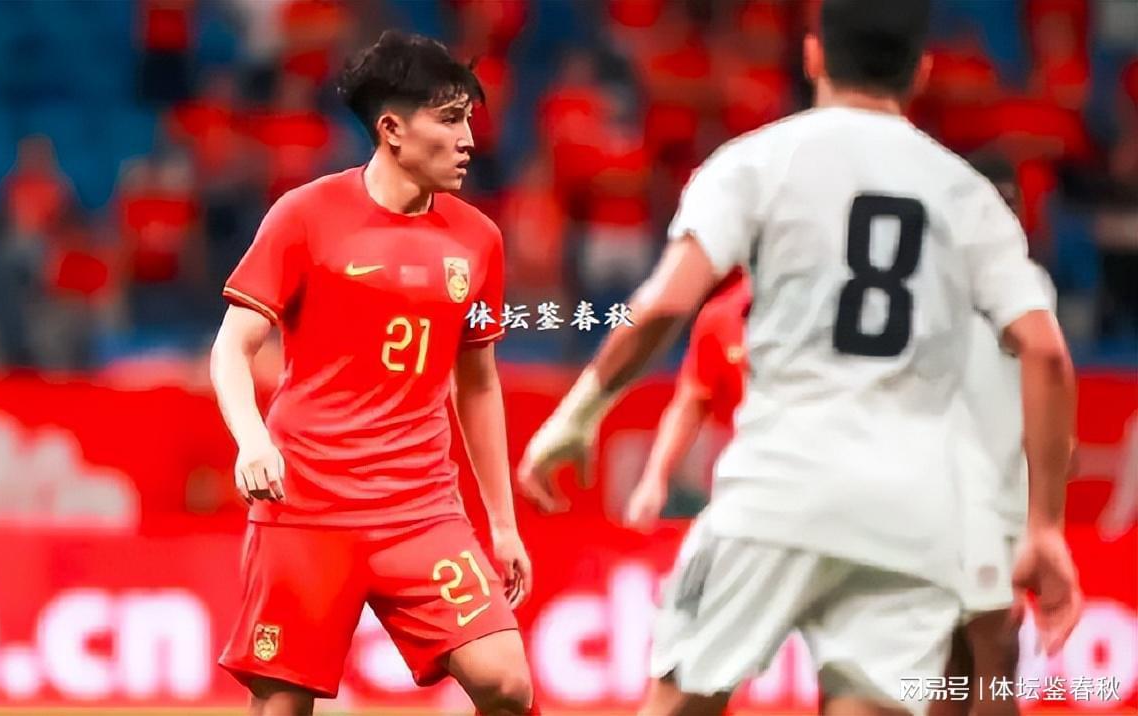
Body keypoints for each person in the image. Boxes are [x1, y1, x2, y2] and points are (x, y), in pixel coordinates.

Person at [517, 1, 1082, 714]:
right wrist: (1045, 526)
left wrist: (577, 414)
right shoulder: (968, 195)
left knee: (676, 705)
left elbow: (663, 305)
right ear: (922, 72)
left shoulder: (757, 160)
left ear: (813, 56)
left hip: (777, 487)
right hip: (908, 511)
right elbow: (1045, 351)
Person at [211, 31, 534, 716]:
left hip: (420, 508)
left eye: (470, 120)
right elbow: (232, 347)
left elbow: (477, 383)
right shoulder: (304, 216)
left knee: (507, 682)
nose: (469, 139)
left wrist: (502, 525)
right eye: (450, 119)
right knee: (282, 706)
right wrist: (252, 440)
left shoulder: (479, 240)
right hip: (309, 504)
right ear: (391, 129)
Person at [930, 156, 1055, 716]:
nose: (1003, 217)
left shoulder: (1030, 284)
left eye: (1011, 206)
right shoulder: (932, 289)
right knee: (972, 655)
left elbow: (1040, 377)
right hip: (943, 492)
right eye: (991, 205)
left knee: (983, 656)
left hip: (1000, 496)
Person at [624, 272, 750, 531]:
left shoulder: (825, 315)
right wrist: (654, 479)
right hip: (752, 478)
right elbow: (690, 403)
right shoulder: (722, 317)